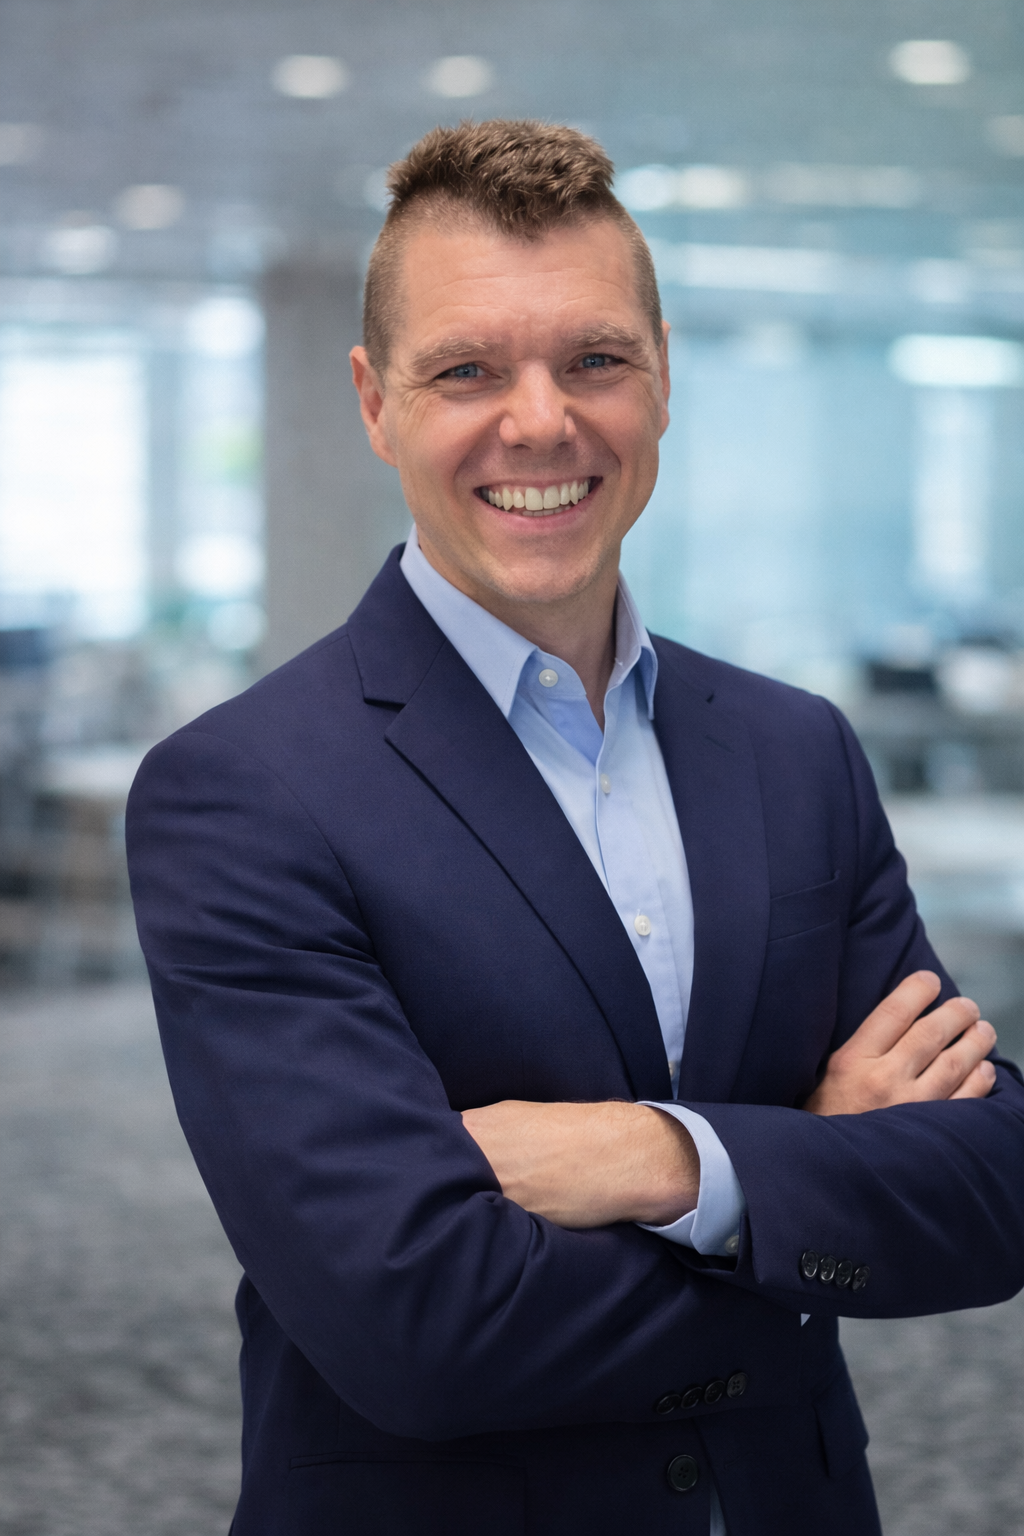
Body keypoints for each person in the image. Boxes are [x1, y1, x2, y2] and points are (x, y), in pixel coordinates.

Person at [126, 121, 1024, 1536]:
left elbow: (992, 1191)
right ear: (374, 401)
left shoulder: (797, 753)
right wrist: (802, 1181)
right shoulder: (242, 791)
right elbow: (419, 1327)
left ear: (662, 374)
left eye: (594, 361)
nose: (540, 422)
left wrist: (665, 1163)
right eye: (467, 369)